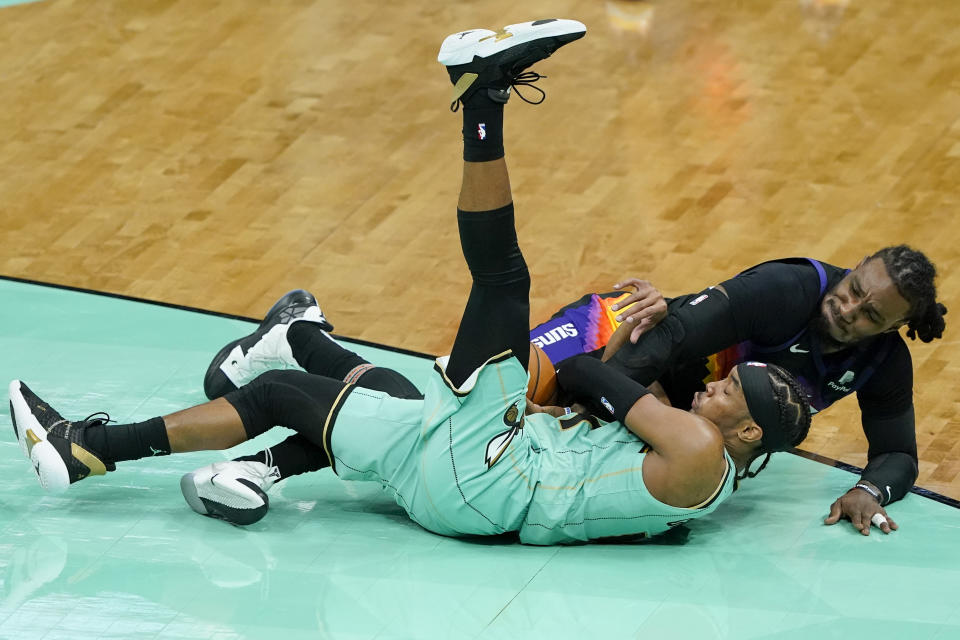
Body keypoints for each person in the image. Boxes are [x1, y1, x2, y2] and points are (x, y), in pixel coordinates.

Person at [9, 18, 812, 545]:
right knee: (282, 395)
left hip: (493, 481)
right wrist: (634, 377)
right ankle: (88, 449)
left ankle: (484, 95)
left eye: (727, 392)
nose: (712, 390)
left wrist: (639, 353)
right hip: (478, 477)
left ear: (746, 436)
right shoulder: (698, 458)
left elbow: (582, 370)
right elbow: (598, 394)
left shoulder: (703, 452)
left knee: (504, 281)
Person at [533, 248, 946, 537]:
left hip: (666, 417)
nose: (848, 308)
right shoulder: (786, 287)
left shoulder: (884, 362)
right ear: (855, 267)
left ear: (891, 328)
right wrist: (583, 412)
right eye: (854, 288)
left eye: (870, 314)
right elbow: (670, 337)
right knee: (505, 382)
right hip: (618, 335)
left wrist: (868, 491)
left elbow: (899, 455)